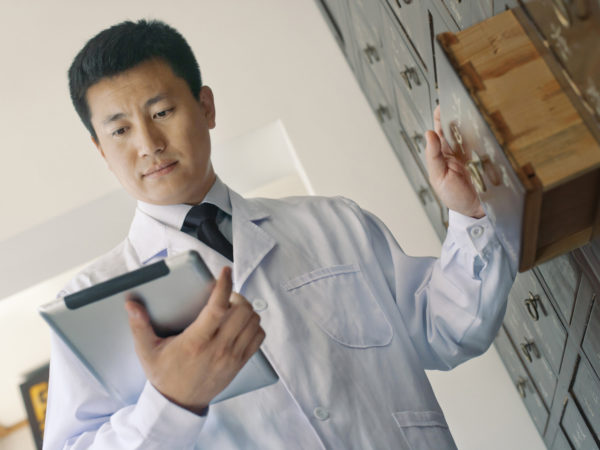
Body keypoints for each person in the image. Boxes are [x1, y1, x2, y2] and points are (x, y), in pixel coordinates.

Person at [43, 19, 514, 450]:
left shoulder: (332, 222)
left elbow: (446, 330)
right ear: (101, 150)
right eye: (120, 130)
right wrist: (171, 402)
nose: (148, 145)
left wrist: (470, 213)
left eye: (162, 112)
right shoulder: (91, 301)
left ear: (205, 106)